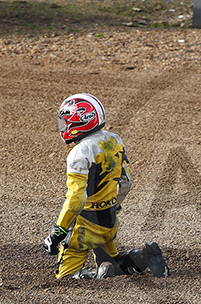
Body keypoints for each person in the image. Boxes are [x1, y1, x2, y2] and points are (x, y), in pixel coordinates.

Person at [42, 93, 170, 279]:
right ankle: (144, 257)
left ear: (78, 122)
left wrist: (58, 231)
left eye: (66, 121)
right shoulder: (113, 140)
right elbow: (126, 181)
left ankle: (98, 275)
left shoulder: (78, 153)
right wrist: (114, 207)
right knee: (111, 260)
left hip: (85, 224)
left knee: (65, 276)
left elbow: (76, 197)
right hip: (108, 220)